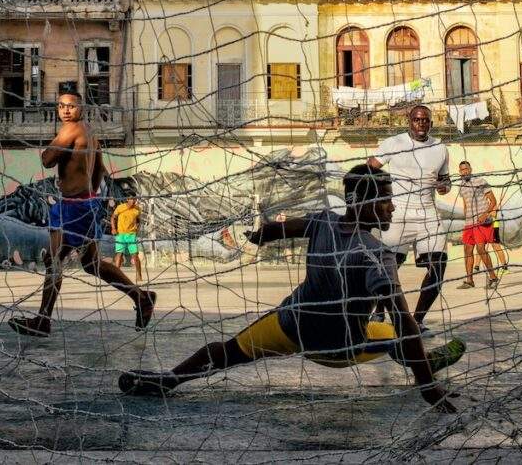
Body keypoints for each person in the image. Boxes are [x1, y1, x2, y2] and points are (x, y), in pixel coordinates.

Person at [118, 164, 464, 411]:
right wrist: (429, 390)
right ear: (362, 201)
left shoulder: (324, 221)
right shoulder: (377, 255)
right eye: (386, 198)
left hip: (290, 326)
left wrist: (259, 235)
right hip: (338, 349)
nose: (393, 205)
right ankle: (427, 368)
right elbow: (404, 323)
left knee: (227, 351)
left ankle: (171, 379)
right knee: (395, 336)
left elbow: (281, 228)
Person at [8, 91, 156, 336]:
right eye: (61, 106)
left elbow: (47, 160)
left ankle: (43, 321)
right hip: (85, 204)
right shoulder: (91, 134)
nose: (66, 110)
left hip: (72, 207)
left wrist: (55, 146)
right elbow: (100, 171)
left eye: (71, 106)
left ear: (81, 109)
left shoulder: (71, 130)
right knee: (90, 264)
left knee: (55, 262)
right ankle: (141, 297)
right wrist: (90, 197)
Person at [368, 104, 451, 334]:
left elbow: (445, 180)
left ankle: (417, 320)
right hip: (398, 212)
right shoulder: (394, 143)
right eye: (417, 119)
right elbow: (371, 167)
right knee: (388, 266)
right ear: (410, 121)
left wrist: (444, 186)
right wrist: (378, 197)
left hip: (427, 211)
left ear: (431, 123)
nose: (421, 123)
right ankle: (380, 310)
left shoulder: (440, 148)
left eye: (425, 120)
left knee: (438, 266)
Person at [456, 161, 499, 290]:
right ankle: (469, 281)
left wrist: (485, 215)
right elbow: (465, 204)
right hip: (469, 222)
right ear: (460, 172)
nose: (464, 171)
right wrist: (466, 219)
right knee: (467, 250)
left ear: (471, 169)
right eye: (462, 170)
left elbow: (493, 201)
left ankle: (493, 278)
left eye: (466, 169)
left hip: (481, 221)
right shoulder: (461, 186)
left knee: (481, 249)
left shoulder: (480, 181)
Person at [111, 196, 144, 282]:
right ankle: (116, 275)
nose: (133, 201)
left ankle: (139, 274)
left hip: (131, 235)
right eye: (131, 199)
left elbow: (139, 221)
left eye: (135, 199)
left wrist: (137, 228)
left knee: (135, 255)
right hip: (120, 234)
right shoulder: (120, 207)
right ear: (127, 199)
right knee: (119, 254)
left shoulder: (137, 209)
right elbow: (113, 217)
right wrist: (113, 228)